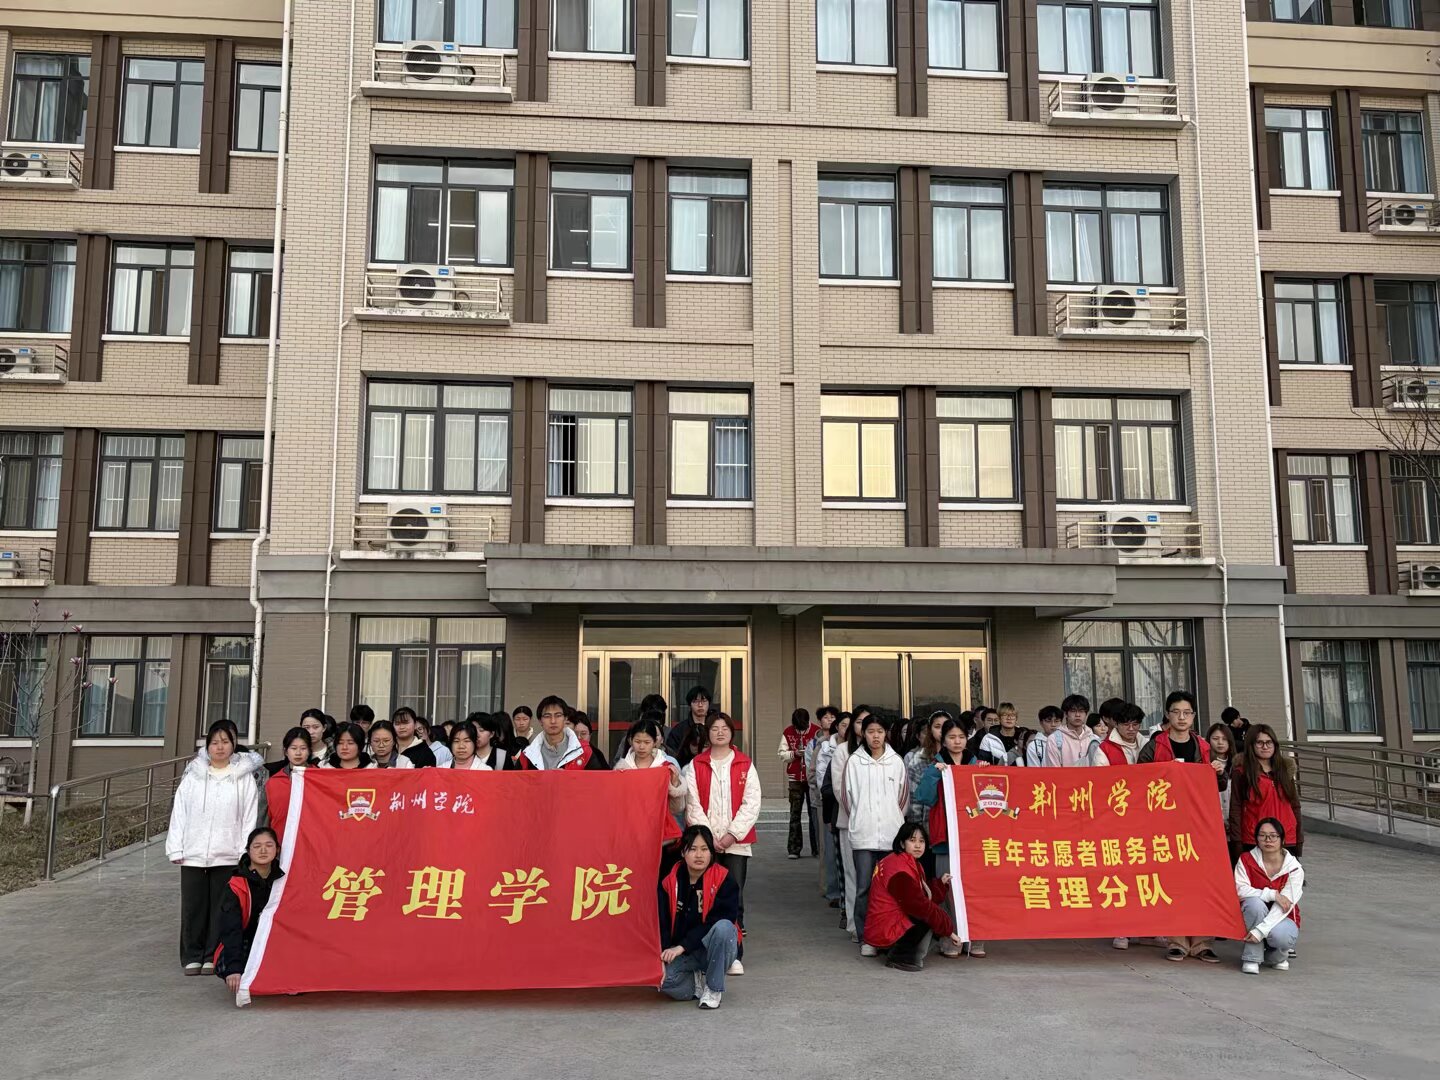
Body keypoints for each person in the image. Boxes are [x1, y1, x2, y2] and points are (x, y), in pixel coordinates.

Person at [166, 721, 262, 976]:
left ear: (234, 745)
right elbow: (179, 812)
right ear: (207, 746)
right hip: (193, 852)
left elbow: (249, 817)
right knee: (193, 906)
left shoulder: (243, 778)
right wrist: (176, 848)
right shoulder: (193, 776)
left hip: (227, 853)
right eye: (215, 742)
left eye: (225, 742)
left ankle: (212, 955)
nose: (220, 747)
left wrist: (244, 851)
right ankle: (192, 955)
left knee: (222, 906)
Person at [1141, 691, 1223, 963]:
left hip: (1198, 824)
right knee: (1173, 882)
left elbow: (1219, 785)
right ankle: (1176, 940)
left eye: (1186, 712)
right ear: (1167, 714)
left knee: (1202, 883)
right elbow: (1138, 780)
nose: (1181, 717)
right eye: (1176, 712)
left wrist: (1218, 772)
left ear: (1193, 716)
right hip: (1165, 825)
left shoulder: (1204, 747)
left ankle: (1202, 942)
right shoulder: (1155, 746)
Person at [683, 712, 760, 974]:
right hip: (704, 844)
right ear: (707, 732)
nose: (719, 732)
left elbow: (752, 803)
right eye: (714, 728)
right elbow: (692, 802)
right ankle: (703, 950)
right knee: (703, 896)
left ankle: (734, 953)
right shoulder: (696, 765)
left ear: (731, 732)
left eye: (724, 728)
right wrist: (708, 837)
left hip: (736, 843)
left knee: (733, 896)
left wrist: (731, 834)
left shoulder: (744, 763)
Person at [658, 825, 741, 1010]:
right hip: (684, 953)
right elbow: (661, 922)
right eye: (693, 849)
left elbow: (719, 920)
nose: (699, 855)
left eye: (704, 849)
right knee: (659, 979)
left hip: (715, 948)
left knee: (723, 927)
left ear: (711, 852)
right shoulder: (669, 881)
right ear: (683, 852)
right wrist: (662, 956)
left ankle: (713, 988)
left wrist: (682, 946)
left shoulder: (724, 879)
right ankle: (694, 985)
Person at [845, 714, 908, 956]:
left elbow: (902, 798)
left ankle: (888, 935)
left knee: (889, 888)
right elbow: (848, 798)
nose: (875, 736)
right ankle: (866, 937)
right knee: (864, 887)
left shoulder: (896, 761)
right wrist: (860, 818)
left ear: (886, 734)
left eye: (880, 731)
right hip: (863, 835)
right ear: (863, 734)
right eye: (871, 731)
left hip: (891, 836)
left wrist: (892, 819)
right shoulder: (855, 762)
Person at [863, 822, 959, 972]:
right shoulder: (898, 868)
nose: (918, 845)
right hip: (885, 929)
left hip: (883, 926)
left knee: (928, 912)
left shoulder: (903, 861)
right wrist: (949, 930)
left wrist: (940, 885)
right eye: (912, 840)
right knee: (925, 915)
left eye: (922, 841)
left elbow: (920, 895)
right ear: (902, 843)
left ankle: (896, 950)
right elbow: (918, 905)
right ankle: (899, 957)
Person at [911, 718, 969, 957]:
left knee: (971, 889)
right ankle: (950, 938)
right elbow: (923, 796)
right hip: (944, 839)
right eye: (952, 737)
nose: (957, 742)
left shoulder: (975, 762)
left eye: (961, 737)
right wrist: (935, 774)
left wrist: (985, 770)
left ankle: (974, 938)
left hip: (970, 840)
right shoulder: (936, 764)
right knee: (948, 889)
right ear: (943, 741)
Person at [213, 827, 283, 993]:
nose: (263, 850)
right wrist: (234, 968)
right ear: (248, 850)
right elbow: (231, 929)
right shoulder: (237, 885)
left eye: (269, 845)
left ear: (278, 849)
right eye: (257, 846)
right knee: (235, 969)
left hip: (276, 941)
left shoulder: (283, 880)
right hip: (245, 941)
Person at [1235, 817, 1303, 975]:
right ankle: (1252, 957)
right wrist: (1271, 894)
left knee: (1281, 936)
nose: (1268, 840)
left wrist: (1260, 931)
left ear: (1282, 839)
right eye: (1262, 835)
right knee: (1254, 904)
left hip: (1282, 917)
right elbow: (1240, 890)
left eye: (1273, 836)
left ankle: (1277, 956)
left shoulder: (1294, 868)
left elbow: (1285, 905)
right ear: (1256, 839)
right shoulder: (1246, 860)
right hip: (1252, 914)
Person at [1228, 723, 1303, 862]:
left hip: (1286, 837)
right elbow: (1235, 808)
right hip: (1255, 839)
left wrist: (1299, 839)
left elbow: (1295, 806)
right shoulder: (1242, 772)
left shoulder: (1285, 770)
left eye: (1269, 742)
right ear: (1251, 745)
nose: (1265, 746)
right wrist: (1237, 842)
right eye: (1260, 742)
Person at [831, 708, 866, 936]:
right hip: (851, 819)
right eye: (860, 722)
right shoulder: (843, 751)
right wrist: (859, 814)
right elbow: (839, 789)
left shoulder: (887, 754)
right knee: (853, 873)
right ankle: (854, 924)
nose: (864, 727)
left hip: (880, 824)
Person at [615, 717, 687, 814]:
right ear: (630, 741)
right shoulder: (622, 769)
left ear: (655, 742)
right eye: (637, 741)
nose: (641, 747)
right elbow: (616, 804)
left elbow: (676, 809)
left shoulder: (665, 767)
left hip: (657, 821)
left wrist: (675, 783)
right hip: (629, 820)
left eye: (647, 742)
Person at [517, 695, 608, 770]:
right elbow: (516, 783)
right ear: (540, 721)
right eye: (547, 716)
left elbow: (597, 782)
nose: (553, 721)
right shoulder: (528, 754)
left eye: (558, 715)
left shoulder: (584, 751)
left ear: (565, 719)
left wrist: (566, 779)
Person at [778, 707, 820, 859]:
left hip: (811, 779)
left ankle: (817, 848)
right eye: (798, 727)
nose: (800, 730)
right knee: (794, 814)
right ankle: (794, 849)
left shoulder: (816, 732)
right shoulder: (788, 732)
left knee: (813, 814)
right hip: (795, 778)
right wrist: (794, 754)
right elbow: (781, 754)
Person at [264, 727, 313, 842]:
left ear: (310, 751)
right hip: (280, 841)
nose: (298, 753)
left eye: (303, 748)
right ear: (286, 751)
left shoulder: (319, 778)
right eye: (293, 748)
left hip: (311, 842)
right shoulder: (273, 782)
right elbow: (266, 819)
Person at [904, 711, 947, 823]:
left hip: (956, 824)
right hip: (929, 822)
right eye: (937, 726)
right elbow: (914, 799)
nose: (942, 730)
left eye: (946, 726)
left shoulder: (963, 756)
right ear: (930, 730)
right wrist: (916, 827)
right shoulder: (919, 759)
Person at [1048, 693, 1102, 766]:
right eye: (1073, 711)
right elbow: (1053, 770)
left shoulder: (1094, 740)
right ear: (1066, 714)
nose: (1077, 715)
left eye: (1081, 711)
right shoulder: (1054, 739)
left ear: (1086, 714)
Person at [666, 686, 712, 768]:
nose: (700, 705)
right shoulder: (679, 730)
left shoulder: (714, 726)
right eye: (696, 701)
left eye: (704, 701)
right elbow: (671, 755)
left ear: (709, 703)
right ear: (689, 705)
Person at [1207, 722, 1237, 821]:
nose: (1220, 742)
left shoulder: (1238, 765)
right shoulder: (1204, 764)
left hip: (1233, 820)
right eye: (1215, 739)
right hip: (1213, 819)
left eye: (1224, 739)